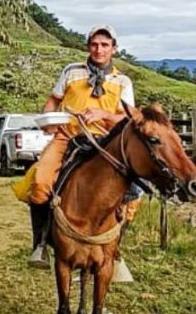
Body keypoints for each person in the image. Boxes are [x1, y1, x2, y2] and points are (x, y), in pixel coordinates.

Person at [27, 24, 136, 269]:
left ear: (114, 49)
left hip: (107, 144)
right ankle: (41, 243)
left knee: (134, 192)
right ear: (88, 47)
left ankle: (115, 252)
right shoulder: (71, 72)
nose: (99, 50)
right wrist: (48, 121)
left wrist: (104, 115)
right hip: (68, 136)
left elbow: (130, 118)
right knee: (41, 181)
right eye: (95, 44)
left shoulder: (123, 81)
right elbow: (53, 101)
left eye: (105, 45)